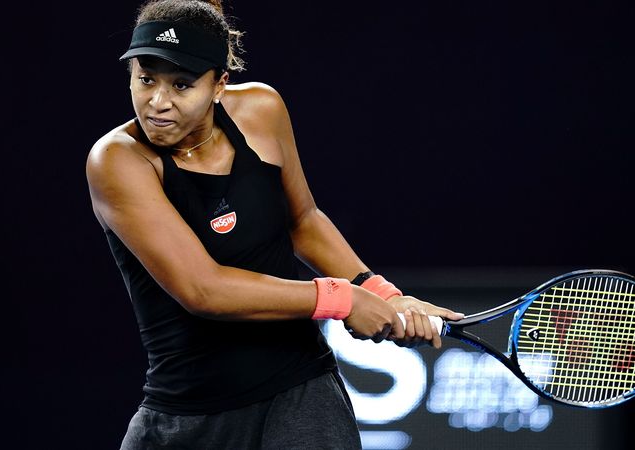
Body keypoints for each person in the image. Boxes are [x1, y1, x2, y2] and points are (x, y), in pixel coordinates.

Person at [86, 1, 464, 448]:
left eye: (182, 84)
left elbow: (303, 221)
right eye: (146, 78)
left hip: (301, 394)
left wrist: (383, 294)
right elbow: (204, 290)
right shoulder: (116, 161)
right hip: (186, 417)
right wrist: (342, 298)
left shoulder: (261, 110)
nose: (158, 102)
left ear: (219, 84)